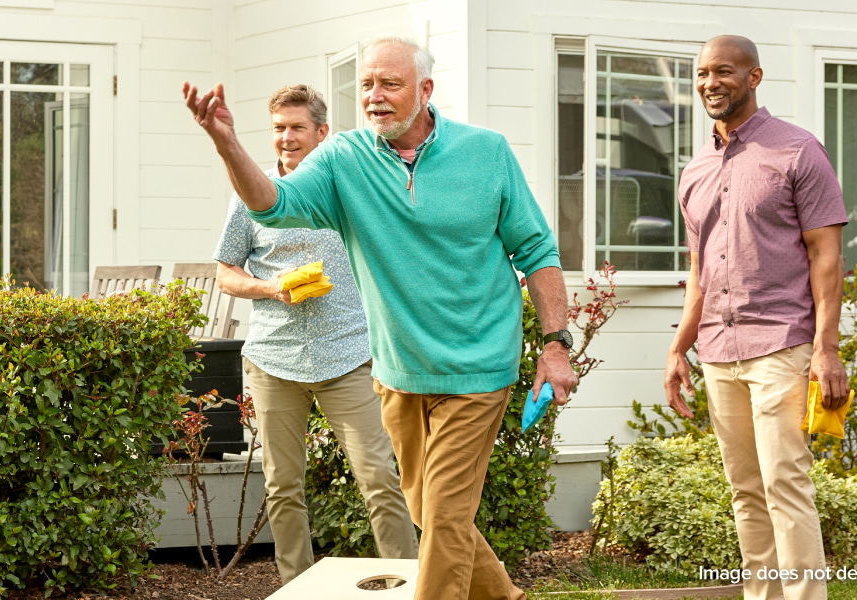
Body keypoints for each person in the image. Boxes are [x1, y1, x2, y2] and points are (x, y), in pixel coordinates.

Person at [184, 34, 577, 600]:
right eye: (366, 84)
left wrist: (555, 343)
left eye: (389, 84)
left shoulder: (486, 153)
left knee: (441, 519)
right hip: (397, 373)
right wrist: (227, 145)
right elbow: (272, 205)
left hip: (476, 368)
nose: (374, 96)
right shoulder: (344, 159)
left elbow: (537, 250)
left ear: (425, 91)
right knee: (430, 509)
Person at [662, 35, 848, 600]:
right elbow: (700, 273)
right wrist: (677, 349)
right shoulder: (694, 171)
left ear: (754, 77)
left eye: (724, 71)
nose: (710, 83)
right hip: (718, 352)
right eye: (701, 73)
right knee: (745, 490)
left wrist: (827, 348)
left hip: (781, 345)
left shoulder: (796, 150)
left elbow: (827, 255)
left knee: (784, 484)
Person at [211, 84, 418, 585]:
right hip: (273, 359)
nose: (286, 138)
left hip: (347, 355)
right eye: (279, 128)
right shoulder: (251, 191)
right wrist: (270, 285)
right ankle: (296, 586)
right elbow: (224, 272)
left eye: (297, 127)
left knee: (380, 479)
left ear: (322, 133)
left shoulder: (348, 188)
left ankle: (410, 586)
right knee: (283, 486)